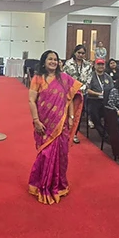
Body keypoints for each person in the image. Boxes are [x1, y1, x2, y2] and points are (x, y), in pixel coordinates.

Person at [27, 50, 83, 205]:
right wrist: (36, 121)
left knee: (61, 155)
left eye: (55, 59)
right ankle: (41, 184)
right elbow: (31, 101)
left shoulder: (64, 78)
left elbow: (70, 98)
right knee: (45, 155)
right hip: (44, 123)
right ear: (44, 61)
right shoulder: (38, 78)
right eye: (50, 59)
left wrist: (71, 117)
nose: (53, 62)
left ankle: (59, 185)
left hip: (61, 123)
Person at [63, 45, 92, 144]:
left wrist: (81, 89)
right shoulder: (68, 63)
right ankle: (65, 132)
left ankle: (74, 133)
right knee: (68, 113)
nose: (80, 55)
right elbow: (64, 78)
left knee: (78, 114)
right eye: (79, 52)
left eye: (83, 53)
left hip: (82, 94)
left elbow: (89, 79)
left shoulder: (88, 65)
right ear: (75, 53)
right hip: (70, 93)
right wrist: (73, 89)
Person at [86, 58, 113, 133]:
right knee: (95, 116)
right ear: (94, 66)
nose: (101, 66)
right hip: (93, 100)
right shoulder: (90, 76)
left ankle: (107, 132)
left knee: (111, 114)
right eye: (98, 64)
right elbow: (87, 90)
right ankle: (103, 133)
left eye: (102, 64)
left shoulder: (108, 77)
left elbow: (112, 89)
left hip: (106, 101)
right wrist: (98, 94)